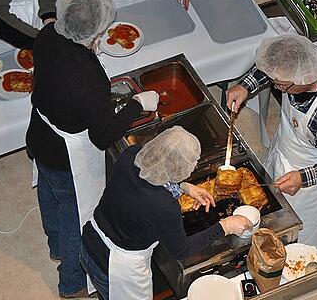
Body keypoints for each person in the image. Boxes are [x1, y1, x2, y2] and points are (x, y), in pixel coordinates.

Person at [26, 0, 160, 298]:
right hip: (65, 155)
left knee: (48, 194)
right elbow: (102, 135)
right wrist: (137, 104)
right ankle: (71, 283)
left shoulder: (46, 36)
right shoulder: (90, 76)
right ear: (94, 36)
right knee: (75, 217)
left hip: (39, 135)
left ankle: (55, 247)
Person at [226, 35, 317, 264]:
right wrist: (245, 86)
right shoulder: (302, 58)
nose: (275, 86)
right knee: (277, 210)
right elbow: (274, 65)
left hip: (313, 177)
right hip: (286, 149)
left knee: (307, 237)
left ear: (304, 79)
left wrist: (304, 177)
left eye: (280, 85)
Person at [80, 126, 251, 299]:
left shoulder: (131, 155)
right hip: (115, 267)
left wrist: (183, 187)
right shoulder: (164, 206)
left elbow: (149, 177)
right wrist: (225, 226)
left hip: (89, 241)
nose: (192, 168)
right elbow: (182, 250)